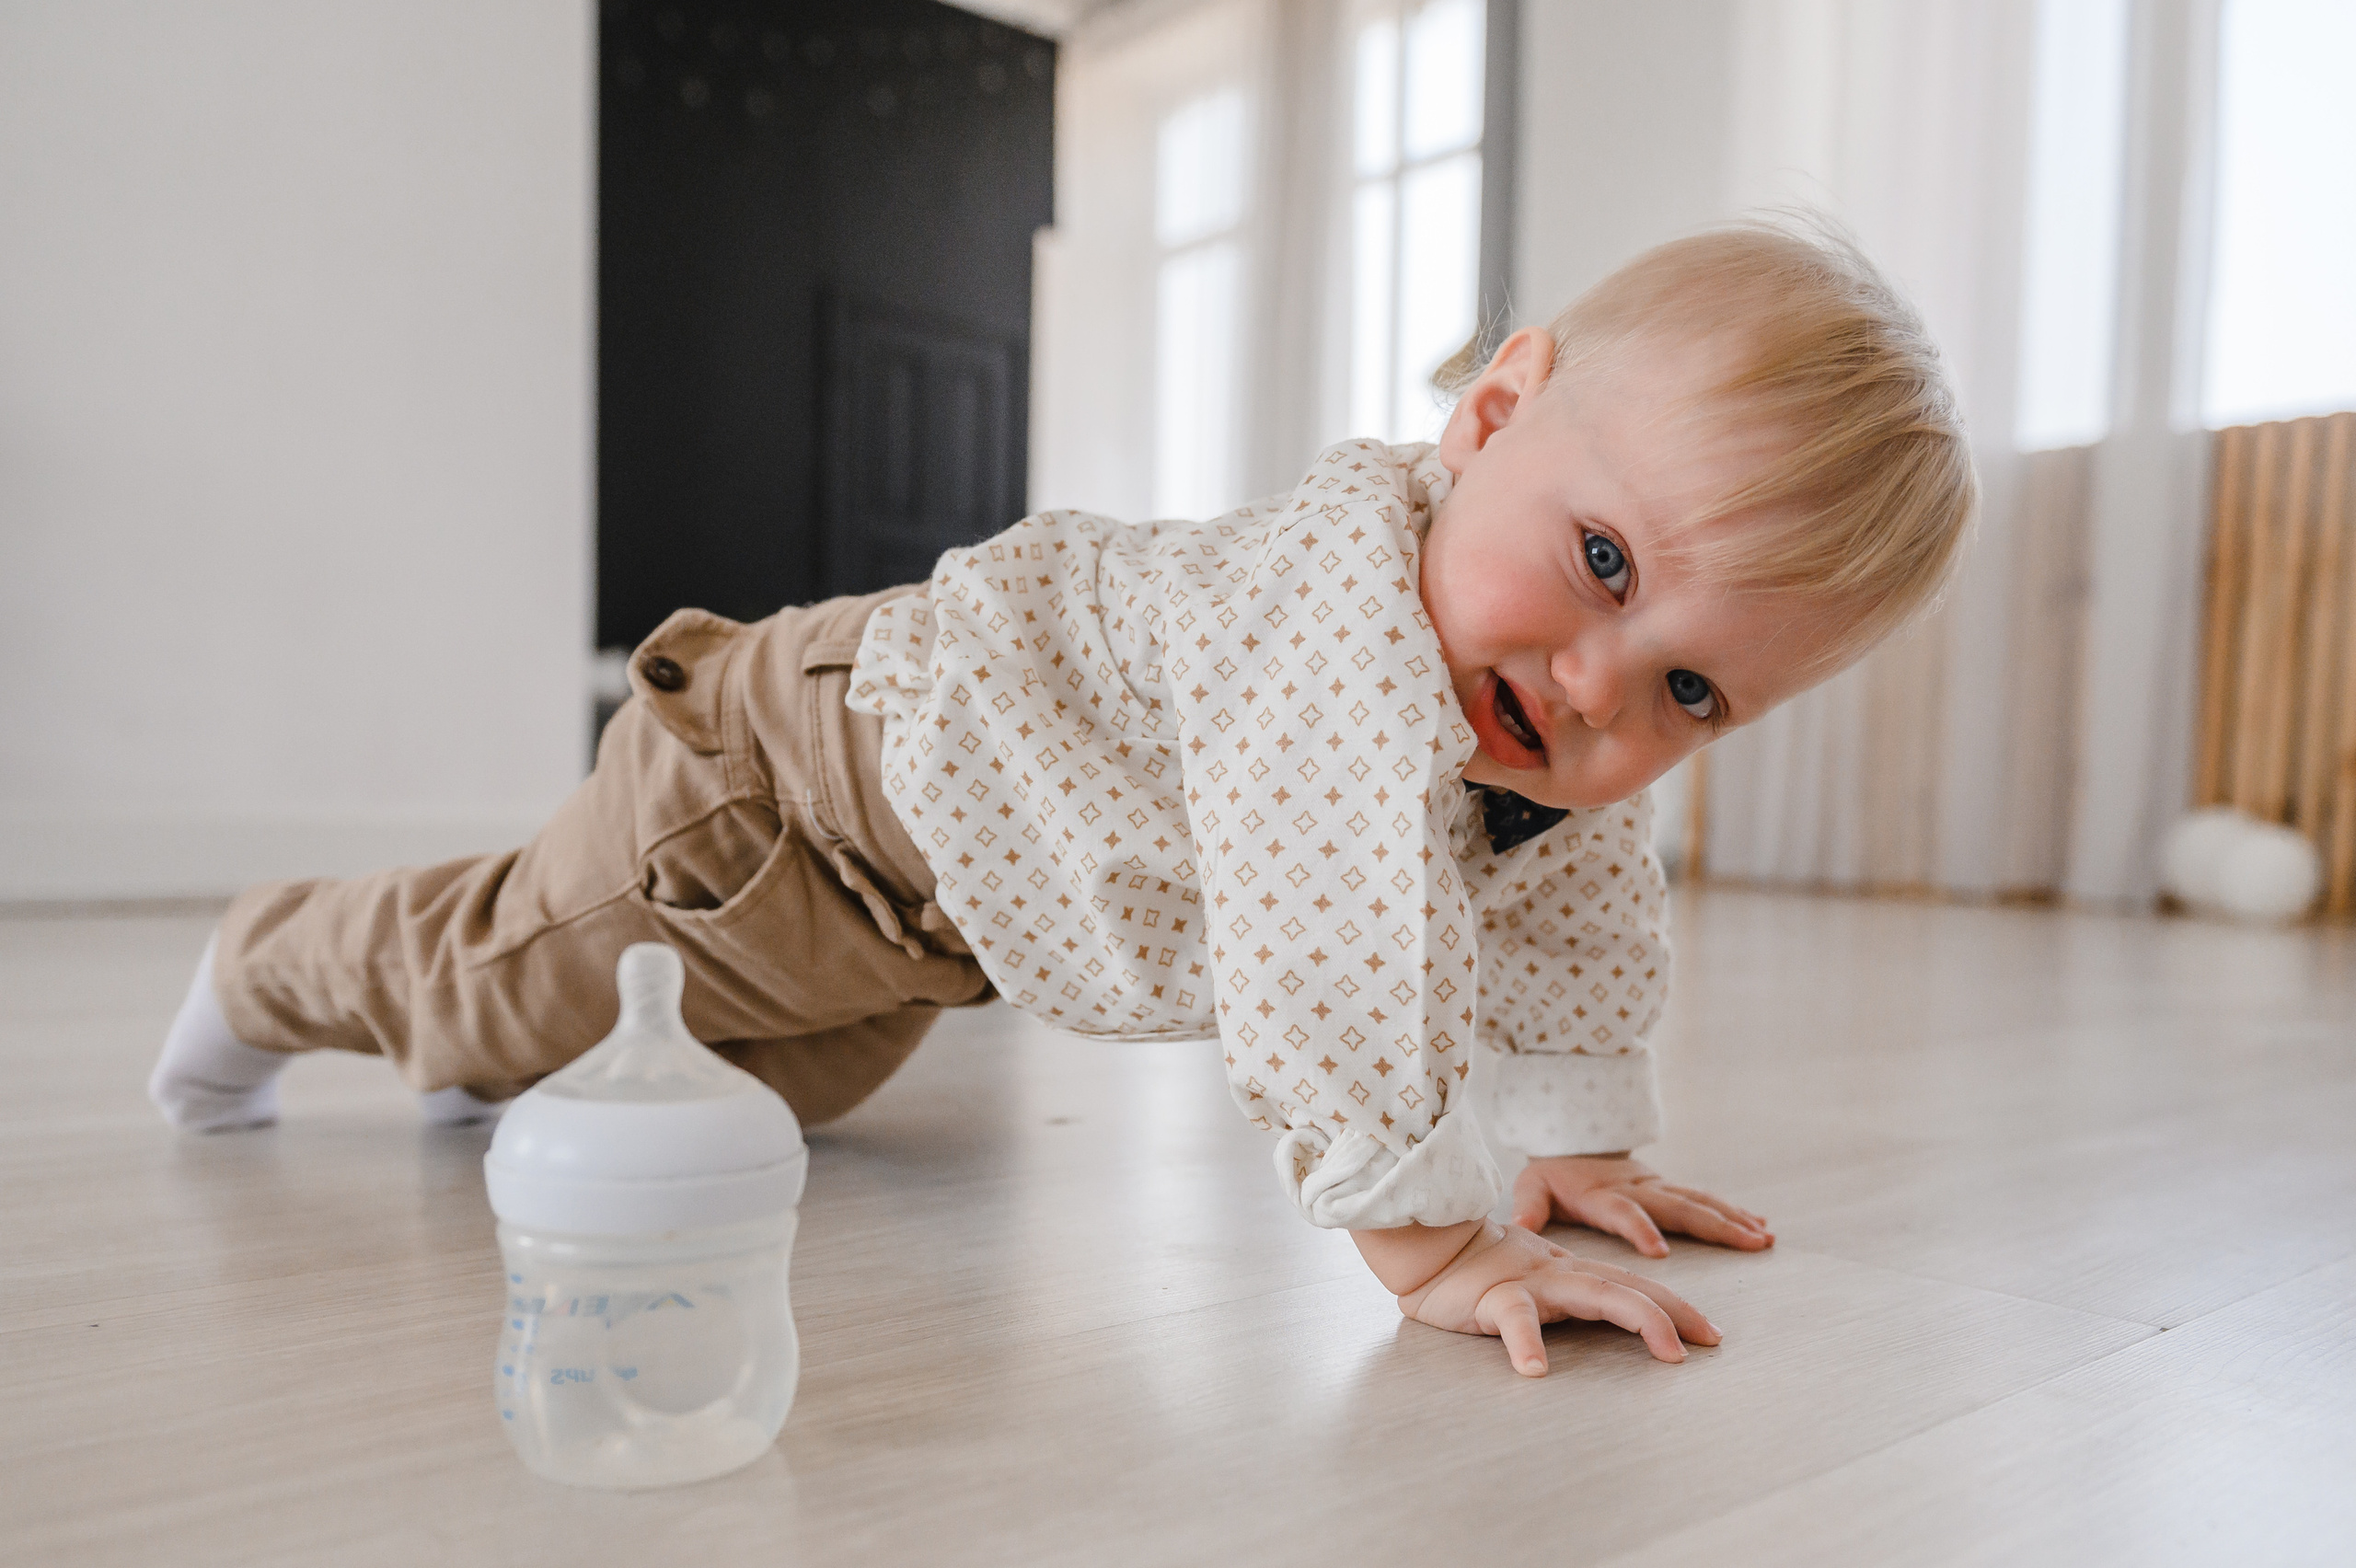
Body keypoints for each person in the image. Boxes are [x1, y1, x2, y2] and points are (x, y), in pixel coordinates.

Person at [149, 218, 1976, 1377]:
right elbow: (1329, 963)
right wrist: (1428, 1243)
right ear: (1489, 421)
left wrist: (1574, 1142)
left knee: (764, 1093)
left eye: (1686, 688)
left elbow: (1581, 910)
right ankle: (274, 962)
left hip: (929, 927)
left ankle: (530, 1063)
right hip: (785, 796)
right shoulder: (1329, 630)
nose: (1594, 685)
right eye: (1596, 559)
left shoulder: (1542, 743)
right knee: (507, 980)